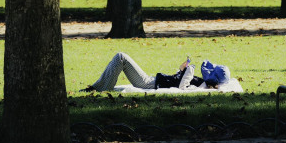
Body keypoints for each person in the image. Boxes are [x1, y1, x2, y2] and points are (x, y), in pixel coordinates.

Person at [84, 52, 220, 92]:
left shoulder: (201, 84)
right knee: (121, 57)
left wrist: (188, 70)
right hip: (151, 80)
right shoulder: (199, 81)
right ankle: (98, 87)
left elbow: (182, 87)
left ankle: (101, 88)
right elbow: (179, 80)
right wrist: (182, 69)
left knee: (121, 57)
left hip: (148, 84)